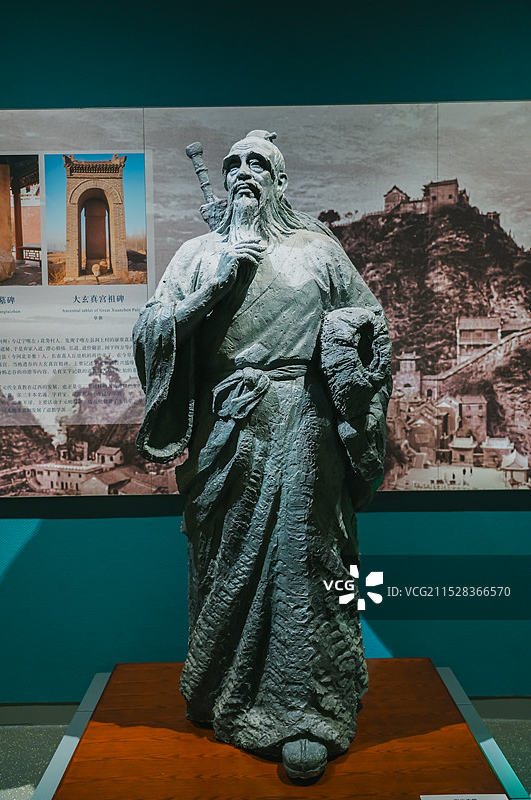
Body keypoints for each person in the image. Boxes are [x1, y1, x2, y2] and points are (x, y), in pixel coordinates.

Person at [133, 131, 392, 780]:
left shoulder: (318, 252)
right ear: (224, 181)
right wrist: (214, 287)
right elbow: (151, 331)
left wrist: (345, 360)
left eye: (258, 164)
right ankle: (218, 684)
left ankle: (306, 712)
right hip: (225, 432)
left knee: (306, 560)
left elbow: (370, 325)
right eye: (234, 165)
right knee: (222, 560)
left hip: (305, 431)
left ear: (279, 183)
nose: (243, 173)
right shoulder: (197, 254)